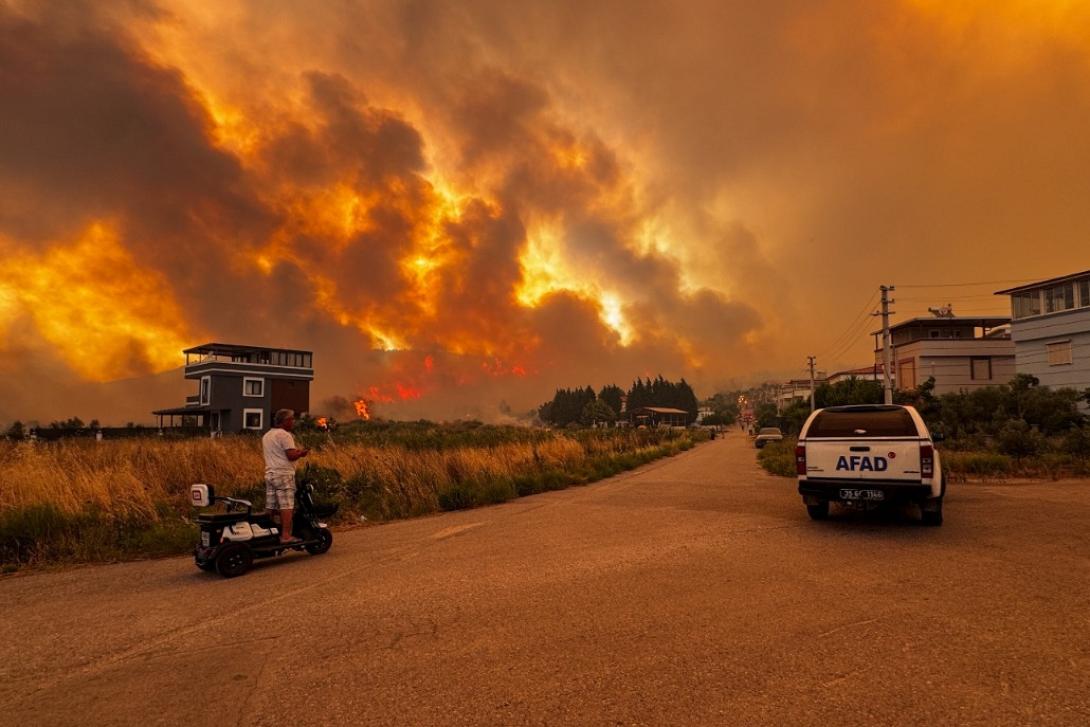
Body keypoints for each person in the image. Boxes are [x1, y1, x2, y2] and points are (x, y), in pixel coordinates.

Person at [262, 408, 310, 544]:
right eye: (292, 419)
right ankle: (286, 536)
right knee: (287, 506)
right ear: (286, 421)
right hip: (283, 475)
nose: (293, 421)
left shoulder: (267, 435)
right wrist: (301, 453)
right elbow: (291, 456)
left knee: (270, 506)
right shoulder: (285, 435)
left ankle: (267, 533)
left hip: (270, 474)